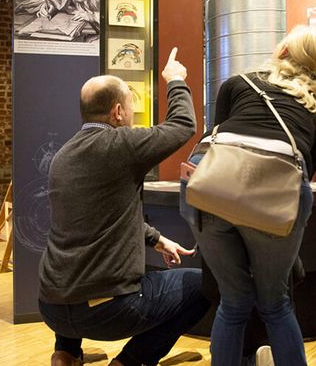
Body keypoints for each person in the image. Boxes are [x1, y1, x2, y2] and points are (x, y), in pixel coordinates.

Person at [38, 48, 210, 366]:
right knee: (203, 288)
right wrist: (175, 79)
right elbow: (184, 124)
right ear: (118, 112)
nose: (132, 114)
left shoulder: (62, 156)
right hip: (108, 310)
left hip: (51, 306)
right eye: (131, 106)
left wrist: (156, 239)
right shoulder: (122, 144)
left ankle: (65, 353)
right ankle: (130, 361)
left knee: (73, 270)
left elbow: (96, 216)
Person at [188, 25, 316, 366]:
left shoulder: (239, 83)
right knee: (275, 303)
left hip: (210, 192)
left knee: (233, 301)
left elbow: (217, 144)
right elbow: (305, 170)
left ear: (283, 51)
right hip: (275, 200)